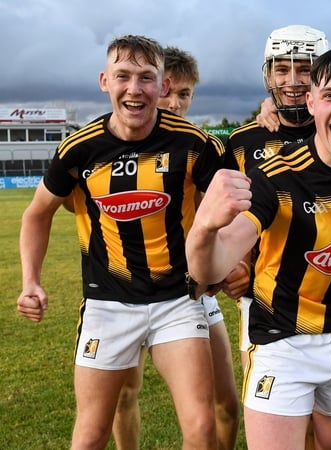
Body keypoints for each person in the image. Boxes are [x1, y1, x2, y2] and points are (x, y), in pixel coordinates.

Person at [185, 47, 331, 450]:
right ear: (311, 103)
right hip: (282, 340)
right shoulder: (275, 177)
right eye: (329, 95)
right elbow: (212, 265)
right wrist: (205, 226)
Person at [16, 35, 225, 449]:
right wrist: (30, 281)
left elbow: (226, 211)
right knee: (91, 433)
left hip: (176, 300)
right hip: (107, 304)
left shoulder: (195, 144)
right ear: (104, 81)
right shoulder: (80, 148)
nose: (135, 88)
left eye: (146, 77)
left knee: (201, 427)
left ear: (162, 86)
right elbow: (36, 214)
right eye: (123, 76)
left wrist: (226, 264)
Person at [104, 45, 240, 450]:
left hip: (189, 293)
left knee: (226, 403)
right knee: (125, 394)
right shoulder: (112, 146)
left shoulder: (197, 149)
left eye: (186, 95)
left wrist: (227, 263)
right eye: (171, 93)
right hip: (123, 295)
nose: (177, 103)